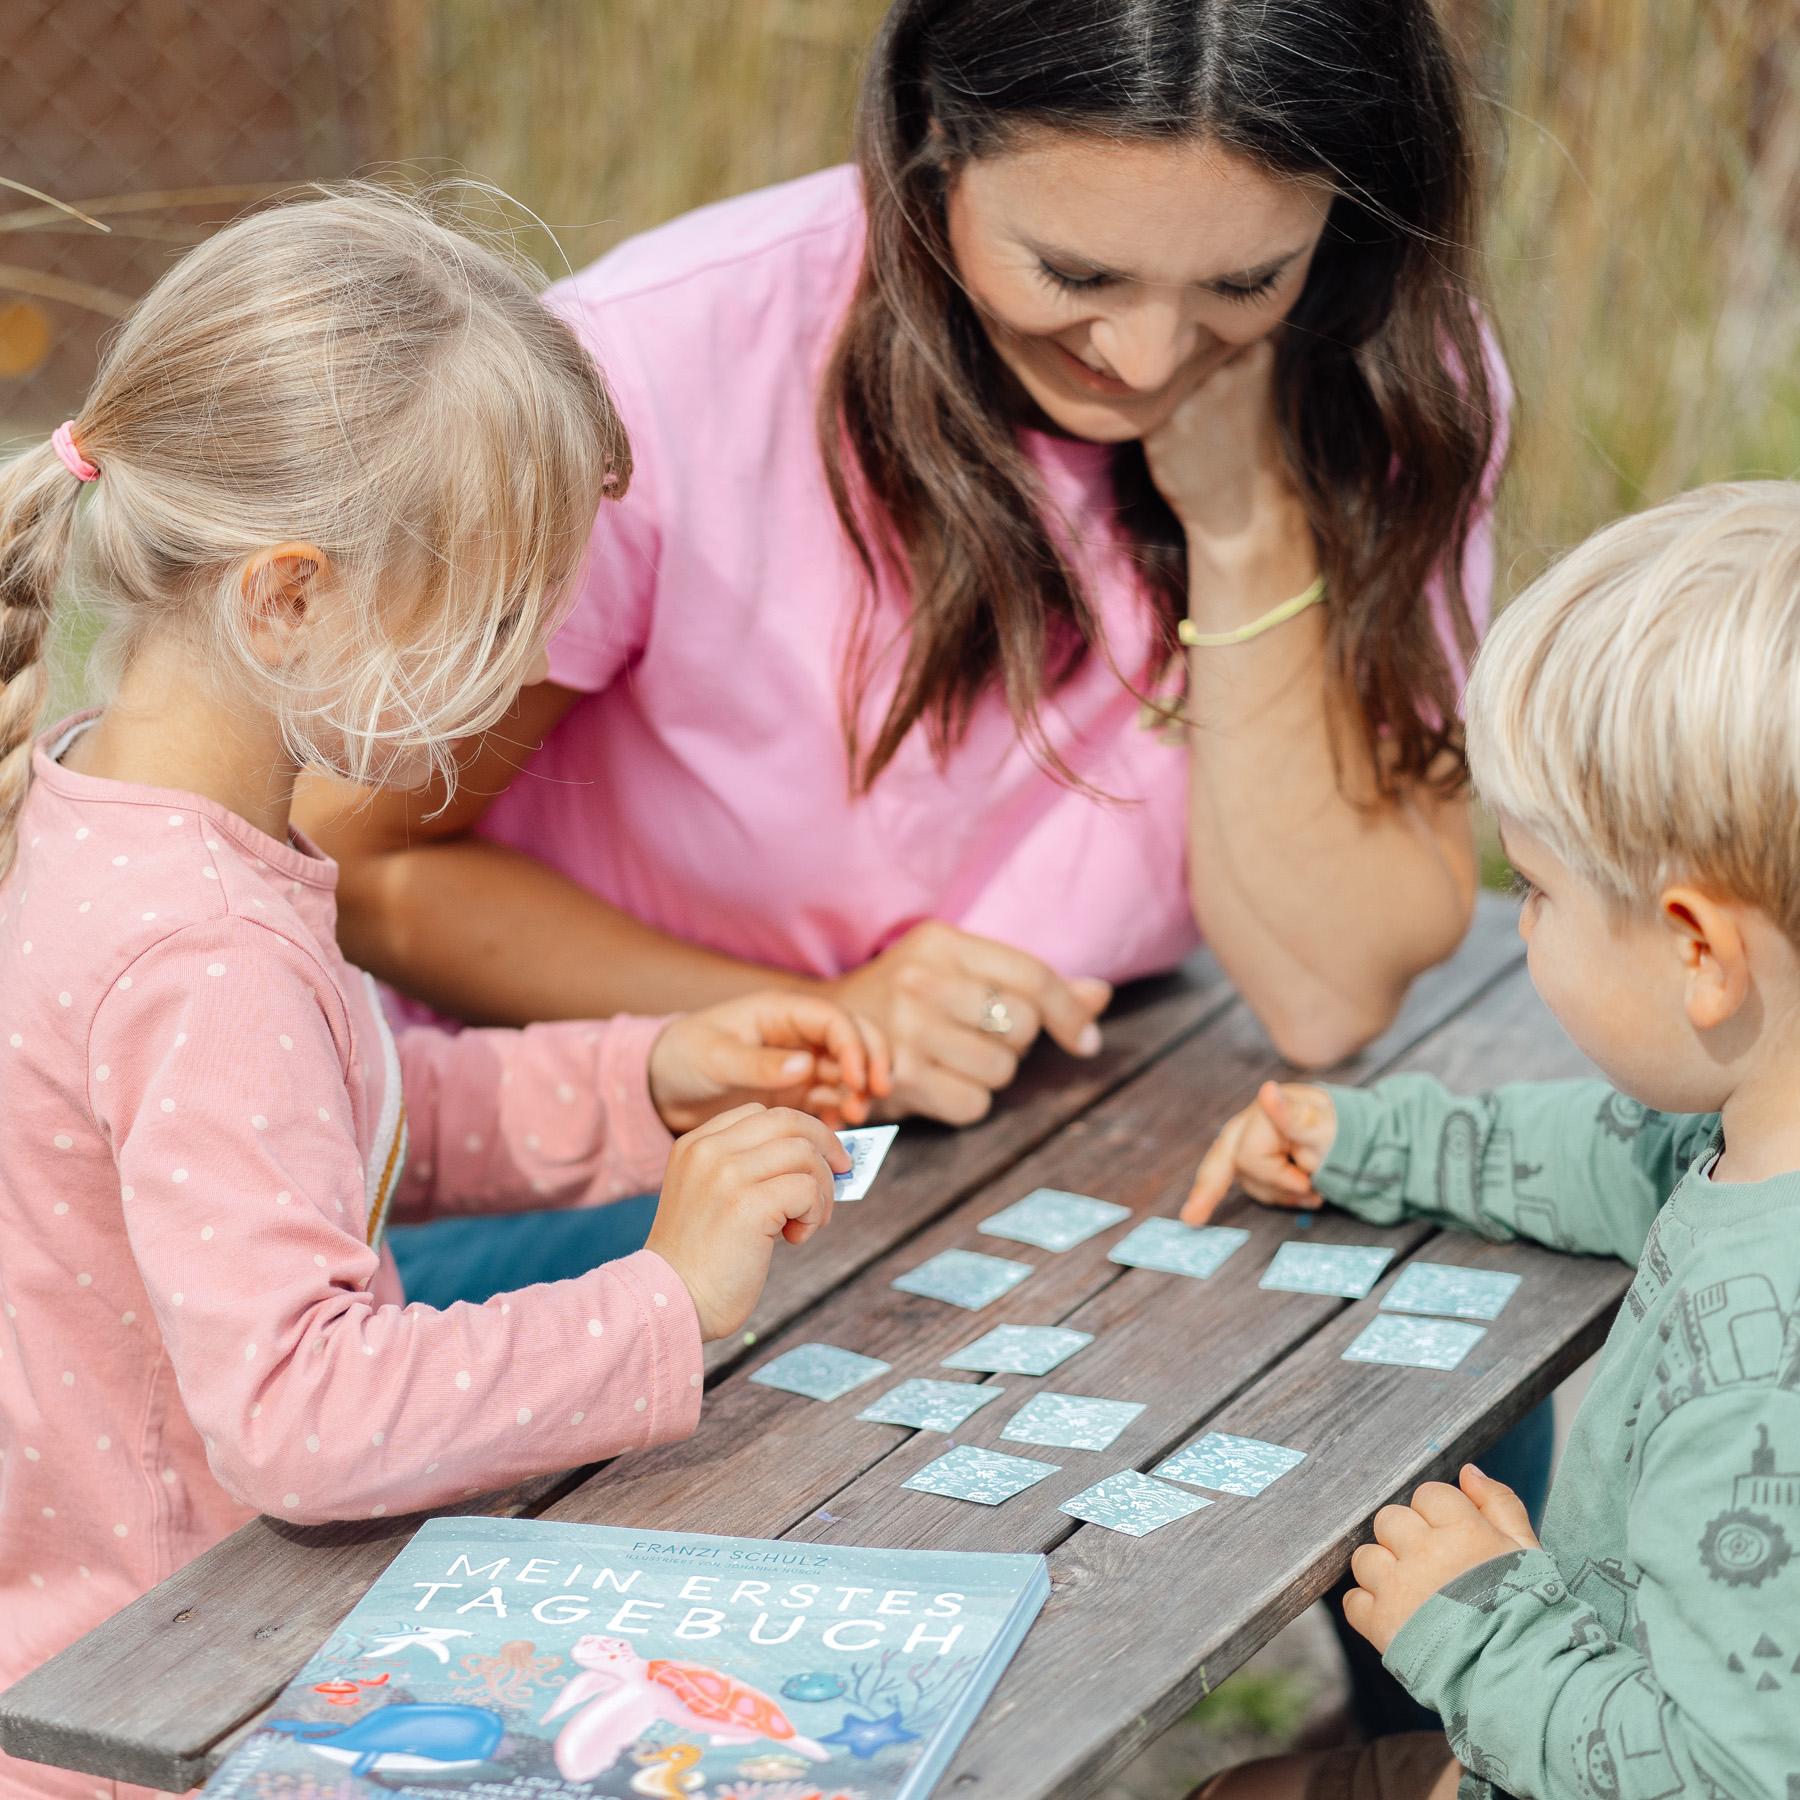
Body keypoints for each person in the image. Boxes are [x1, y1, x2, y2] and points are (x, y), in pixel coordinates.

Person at [0, 186, 887, 1800]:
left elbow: (319, 1129)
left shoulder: (127, 824)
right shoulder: (199, 947)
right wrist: (664, 1299)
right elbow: (301, 1415)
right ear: (286, 598)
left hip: (163, 1659)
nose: (524, 658)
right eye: (490, 614)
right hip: (174, 1722)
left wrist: (648, 1076)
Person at [302, 0, 1507, 1127]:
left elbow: (1327, 994)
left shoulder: (1389, 379)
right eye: (1074, 275)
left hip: (1066, 1106)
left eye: (1245, 282)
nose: (1145, 363)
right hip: (607, 1115)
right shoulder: (651, 371)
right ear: (931, 133)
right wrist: (831, 1023)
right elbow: (355, 859)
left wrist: (1247, 528)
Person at [1186, 482, 1800, 1800]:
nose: (1517, 926)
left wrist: (1477, 1621)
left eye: (1538, 888)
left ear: (1698, 948)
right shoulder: (1749, 1132)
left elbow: (1732, 1774)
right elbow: (1610, 1152)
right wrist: (1368, 1140)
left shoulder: (1769, 1371)